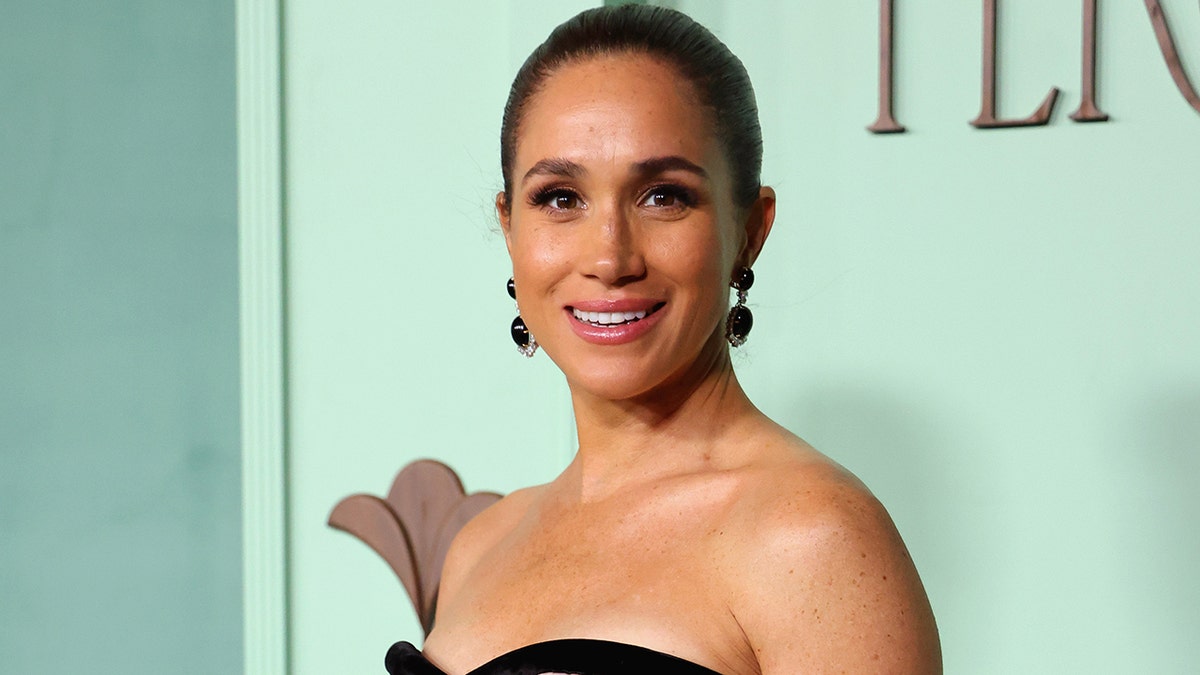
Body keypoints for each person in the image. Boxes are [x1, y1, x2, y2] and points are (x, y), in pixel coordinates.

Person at [387, 5, 941, 674]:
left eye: (663, 196)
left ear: (751, 227)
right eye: (560, 198)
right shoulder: (482, 542)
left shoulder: (810, 536)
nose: (610, 257)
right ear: (510, 228)